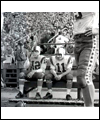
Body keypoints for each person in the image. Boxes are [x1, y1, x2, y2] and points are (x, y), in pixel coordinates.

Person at [73, 12, 99, 107]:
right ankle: (88, 106)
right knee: (85, 78)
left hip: (89, 40)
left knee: (83, 77)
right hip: (77, 40)